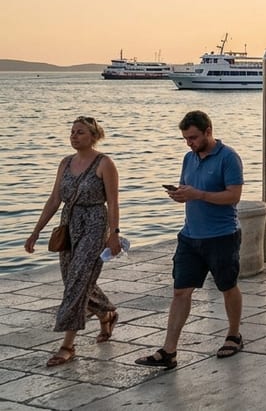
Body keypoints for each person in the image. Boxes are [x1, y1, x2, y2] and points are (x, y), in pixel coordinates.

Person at [136, 111, 244, 369]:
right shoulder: (189, 158)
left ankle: (234, 334)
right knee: (180, 291)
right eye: (185, 138)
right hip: (190, 236)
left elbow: (233, 196)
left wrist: (199, 195)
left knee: (227, 286)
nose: (189, 143)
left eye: (193, 137)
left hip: (222, 235)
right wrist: (181, 194)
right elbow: (190, 189)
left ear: (208, 131)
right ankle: (169, 350)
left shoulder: (229, 158)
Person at [24, 116, 121, 367]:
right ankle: (105, 312)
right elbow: (55, 199)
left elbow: (113, 201)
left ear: (93, 136)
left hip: (94, 224)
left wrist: (114, 234)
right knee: (73, 280)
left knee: (77, 281)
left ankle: (68, 345)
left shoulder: (104, 163)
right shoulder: (65, 163)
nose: (74, 136)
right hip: (69, 224)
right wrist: (36, 232)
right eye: (72, 132)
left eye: (79, 132)